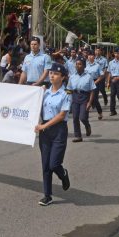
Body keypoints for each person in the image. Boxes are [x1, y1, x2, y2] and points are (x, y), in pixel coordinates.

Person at [34, 62, 71, 206]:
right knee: (45, 165)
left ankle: (63, 174)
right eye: (50, 73)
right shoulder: (45, 92)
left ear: (62, 77)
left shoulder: (66, 94)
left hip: (58, 130)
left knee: (54, 164)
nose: (51, 75)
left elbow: (62, 115)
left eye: (55, 74)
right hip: (45, 132)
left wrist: (44, 125)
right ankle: (47, 195)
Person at [67, 58, 95, 142]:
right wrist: (67, 100)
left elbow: (92, 90)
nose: (77, 66)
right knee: (75, 117)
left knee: (82, 117)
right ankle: (78, 136)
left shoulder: (88, 77)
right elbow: (68, 89)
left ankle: (87, 125)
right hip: (75, 96)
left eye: (80, 64)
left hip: (84, 97)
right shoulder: (72, 76)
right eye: (76, 64)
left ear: (84, 66)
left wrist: (90, 102)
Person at [107, 48, 119, 115]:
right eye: (115, 53)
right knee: (112, 95)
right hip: (113, 80)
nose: (116, 55)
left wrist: (118, 78)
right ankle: (112, 111)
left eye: (118, 53)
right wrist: (108, 82)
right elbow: (109, 73)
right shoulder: (111, 62)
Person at [85, 50, 104, 120]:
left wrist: (95, 82)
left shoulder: (97, 65)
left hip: (95, 82)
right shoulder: (86, 65)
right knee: (86, 99)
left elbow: (102, 75)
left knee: (95, 99)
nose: (90, 57)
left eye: (91, 55)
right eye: (89, 55)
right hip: (87, 83)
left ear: (94, 56)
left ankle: (100, 112)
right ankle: (85, 114)